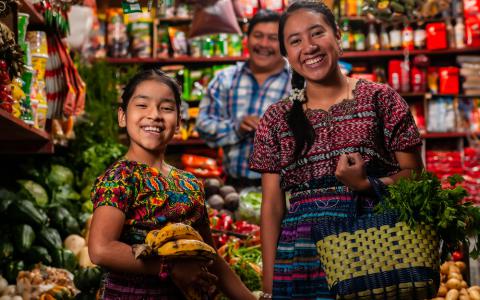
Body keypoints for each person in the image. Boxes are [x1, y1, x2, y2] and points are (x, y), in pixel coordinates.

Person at [249, 1, 424, 299]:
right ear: (287, 55)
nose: (309, 47)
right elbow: (272, 207)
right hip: (301, 259)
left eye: (317, 33)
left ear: (338, 36)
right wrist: (269, 285)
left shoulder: (381, 100)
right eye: (295, 41)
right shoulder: (276, 119)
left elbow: (417, 178)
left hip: (373, 252)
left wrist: (368, 185)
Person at [88, 68, 256, 300]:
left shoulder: (190, 184)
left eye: (166, 108)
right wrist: (170, 268)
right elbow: (101, 249)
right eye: (142, 105)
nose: (154, 114)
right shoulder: (120, 178)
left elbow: (211, 257)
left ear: (178, 123)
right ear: (122, 116)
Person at [196, 9, 291, 188]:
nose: (263, 44)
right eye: (258, 35)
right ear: (247, 39)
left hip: (285, 189)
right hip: (233, 187)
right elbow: (203, 126)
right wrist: (236, 128)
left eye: (273, 38)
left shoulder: (298, 82)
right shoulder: (225, 79)